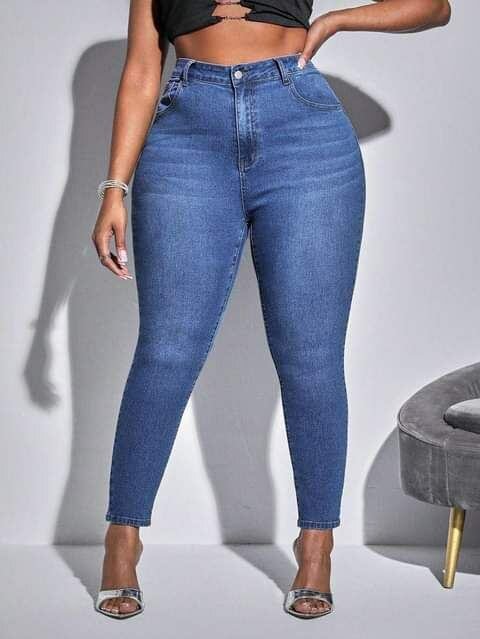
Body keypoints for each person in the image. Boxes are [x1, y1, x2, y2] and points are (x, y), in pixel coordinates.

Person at [91, 0, 451, 620]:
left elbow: (434, 6)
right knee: (166, 352)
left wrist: (335, 21)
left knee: (311, 358)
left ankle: (316, 546)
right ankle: (121, 541)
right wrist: (114, 187)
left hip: (304, 134)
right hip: (185, 138)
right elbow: (143, 68)